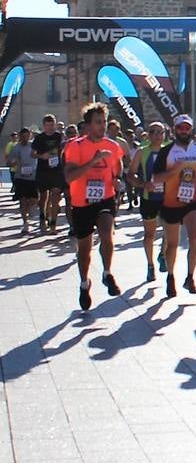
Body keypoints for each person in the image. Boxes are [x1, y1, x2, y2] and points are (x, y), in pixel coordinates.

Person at [63, 103, 125, 310]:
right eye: (98, 122)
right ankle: (84, 283)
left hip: (105, 198)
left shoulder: (114, 147)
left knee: (107, 232)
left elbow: (118, 170)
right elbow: (70, 176)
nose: (102, 126)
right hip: (82, 203)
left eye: (104, 122)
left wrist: (117, 180)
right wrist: (93, 161)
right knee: (84, 250)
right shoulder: (75, 146)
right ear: (88, 125)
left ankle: (107, 273)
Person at [151, 114, 196, 297]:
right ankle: (170, 276)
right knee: (173, 244)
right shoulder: (166, 152)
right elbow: (156, 179)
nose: (184, 131)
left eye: (187, 128)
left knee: (194, 239)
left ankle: (190, 277)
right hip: (171, 203)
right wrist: (174, 170)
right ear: (174, 130)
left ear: (191, 130)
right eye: (180, 128)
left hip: (193, 202)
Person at [132, 123, 167, 282]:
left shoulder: (171, 151)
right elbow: (131, 174)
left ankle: (163, 254)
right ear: (148, 134)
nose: (157, 135)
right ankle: (150, 265)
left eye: (161, 132)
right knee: (149, 234)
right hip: (149, 198)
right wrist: (142, 184)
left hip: (167, 198)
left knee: (170, 231)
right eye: (153, 132)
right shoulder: (142, 152)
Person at [32, 114, 65, 233]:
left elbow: (64, 150)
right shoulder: (39, 138)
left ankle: (53, 224)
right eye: (47, 125)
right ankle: (42, 217)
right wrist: (42, 156)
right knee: (43, 197)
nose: (50, 127)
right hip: (43, 170)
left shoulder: (59, 136)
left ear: (55, 124)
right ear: (44, 126)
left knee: (55, 197)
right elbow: (32, 154)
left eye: (52, 125)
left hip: (56, 170)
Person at [7, 127, 39, 235]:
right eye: (23, 136)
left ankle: (29, 210)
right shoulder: (16, 148)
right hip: (20, 177)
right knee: (22, 200)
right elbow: (9, 162)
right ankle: (25, 224)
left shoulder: (33, 145)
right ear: (20, 136)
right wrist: (13, 163)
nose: (25, 138)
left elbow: (39, 157)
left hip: (33, 176)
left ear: (30, 136)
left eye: (27, 136)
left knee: (34, 199)